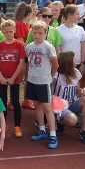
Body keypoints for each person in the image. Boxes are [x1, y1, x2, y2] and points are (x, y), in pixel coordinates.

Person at [26, 21, 59, 149]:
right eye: (34, 32)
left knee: (47, 108)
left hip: (44, 81)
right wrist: (27, 77)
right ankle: (41, 130)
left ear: (45, 33)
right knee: (36, 105)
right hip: (32, 80)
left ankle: (53, 135)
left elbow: (55, 63)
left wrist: (51, 76)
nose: (37, 35)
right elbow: (28, 63)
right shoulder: (29, 47)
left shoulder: (48, 47)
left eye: (40, 33)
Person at [0, 19, 25, 138]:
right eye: (6, 32)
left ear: (15, 30)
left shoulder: (19, 45)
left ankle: (17, 126)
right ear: (2, 32)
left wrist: (13, 77)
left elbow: (21, 63)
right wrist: (0, 77)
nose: (9, 34)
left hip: (14, 79)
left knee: (16, 102)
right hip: (1, 79)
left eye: (11, 31)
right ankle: (3, 124)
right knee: (2, 103)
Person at [54, 51, 85, 144]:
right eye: (74, 58)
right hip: (59, 106)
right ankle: (59, 121)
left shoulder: (76, 72)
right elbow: (50, 93)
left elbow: (77, 89)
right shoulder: (56, 74)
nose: (76, 60)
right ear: (68, 61)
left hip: (72, 104)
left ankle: (83, 131)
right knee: (73, 121)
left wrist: (83, 90)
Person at [57, 5, 85, 72]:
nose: (79, 16)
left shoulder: (80, 29)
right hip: (64, 63)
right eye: (77, 14)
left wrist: (82, 63)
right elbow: (58, 48)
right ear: (70, 15)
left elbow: (83, 47)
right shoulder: (58, 30)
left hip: (77, 63)